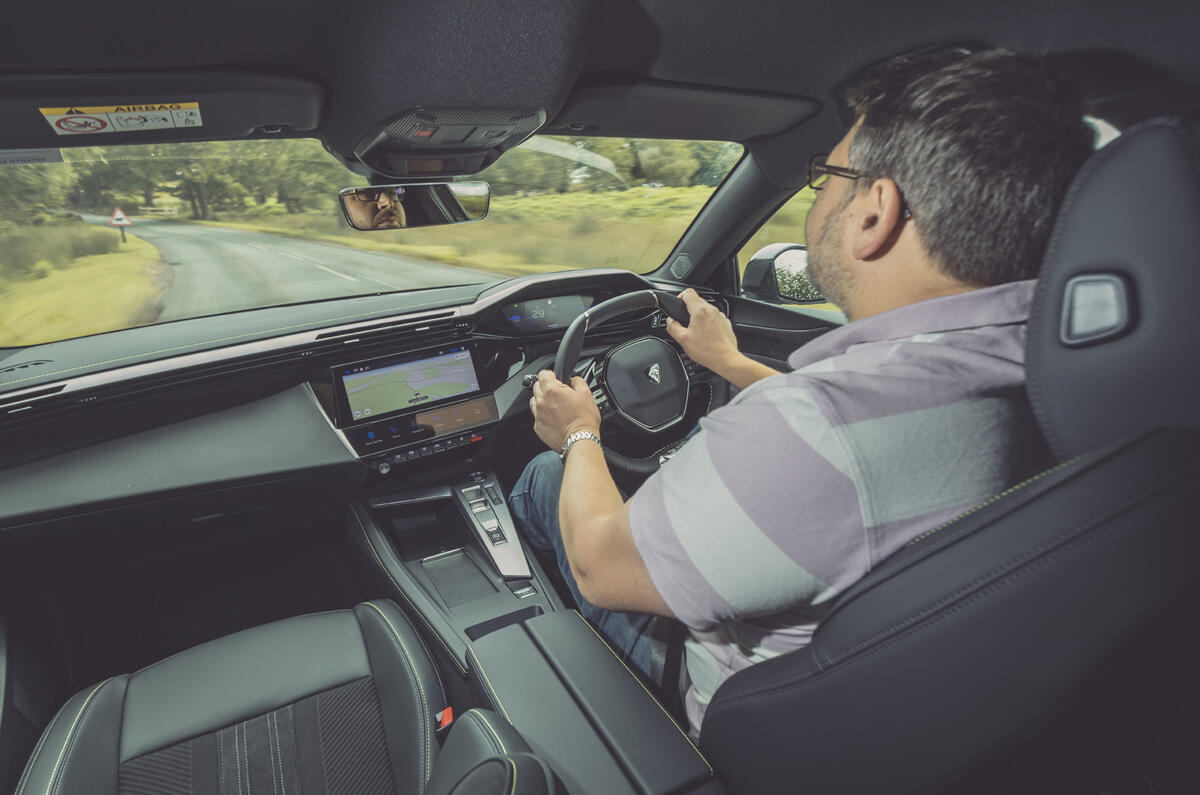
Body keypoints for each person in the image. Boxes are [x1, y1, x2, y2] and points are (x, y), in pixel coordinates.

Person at [508, 49, 1096, 734]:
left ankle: (539, 661)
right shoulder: (1057, 373)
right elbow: (862, 431)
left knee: (546, 479)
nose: (817, 197)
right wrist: (729, 362)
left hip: (724, 711)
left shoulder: (811, 429)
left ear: (876, 212)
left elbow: (601, 564)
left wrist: (579, 432)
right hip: (897, 713)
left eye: (826, 176)